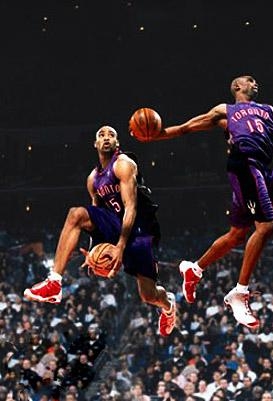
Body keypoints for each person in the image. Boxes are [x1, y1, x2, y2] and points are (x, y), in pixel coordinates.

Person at [157, 76, 273, 329]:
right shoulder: (226, 111)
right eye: (249, 80)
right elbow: (187, 127)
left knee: (238, 234)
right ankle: (239, 293)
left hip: (264, 170)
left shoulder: (269, 111)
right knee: (266, 227)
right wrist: (157, 135)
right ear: (237, 87)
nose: (255, 82)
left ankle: (194, 269)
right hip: (245, 164)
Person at [23, 126, 176, 337]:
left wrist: (120, 247)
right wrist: (93, 250)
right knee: (76, 214)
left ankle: (168, 306)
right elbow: (96, 217)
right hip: (113, 223)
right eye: (101, 135)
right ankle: (54, 282)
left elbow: (131, 208)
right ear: (95, 144)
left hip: (139, 229)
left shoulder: (123, 164)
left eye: (111, 135)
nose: (106, 138)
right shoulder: (93, 179)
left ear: (117, 143)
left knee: (148, 295)